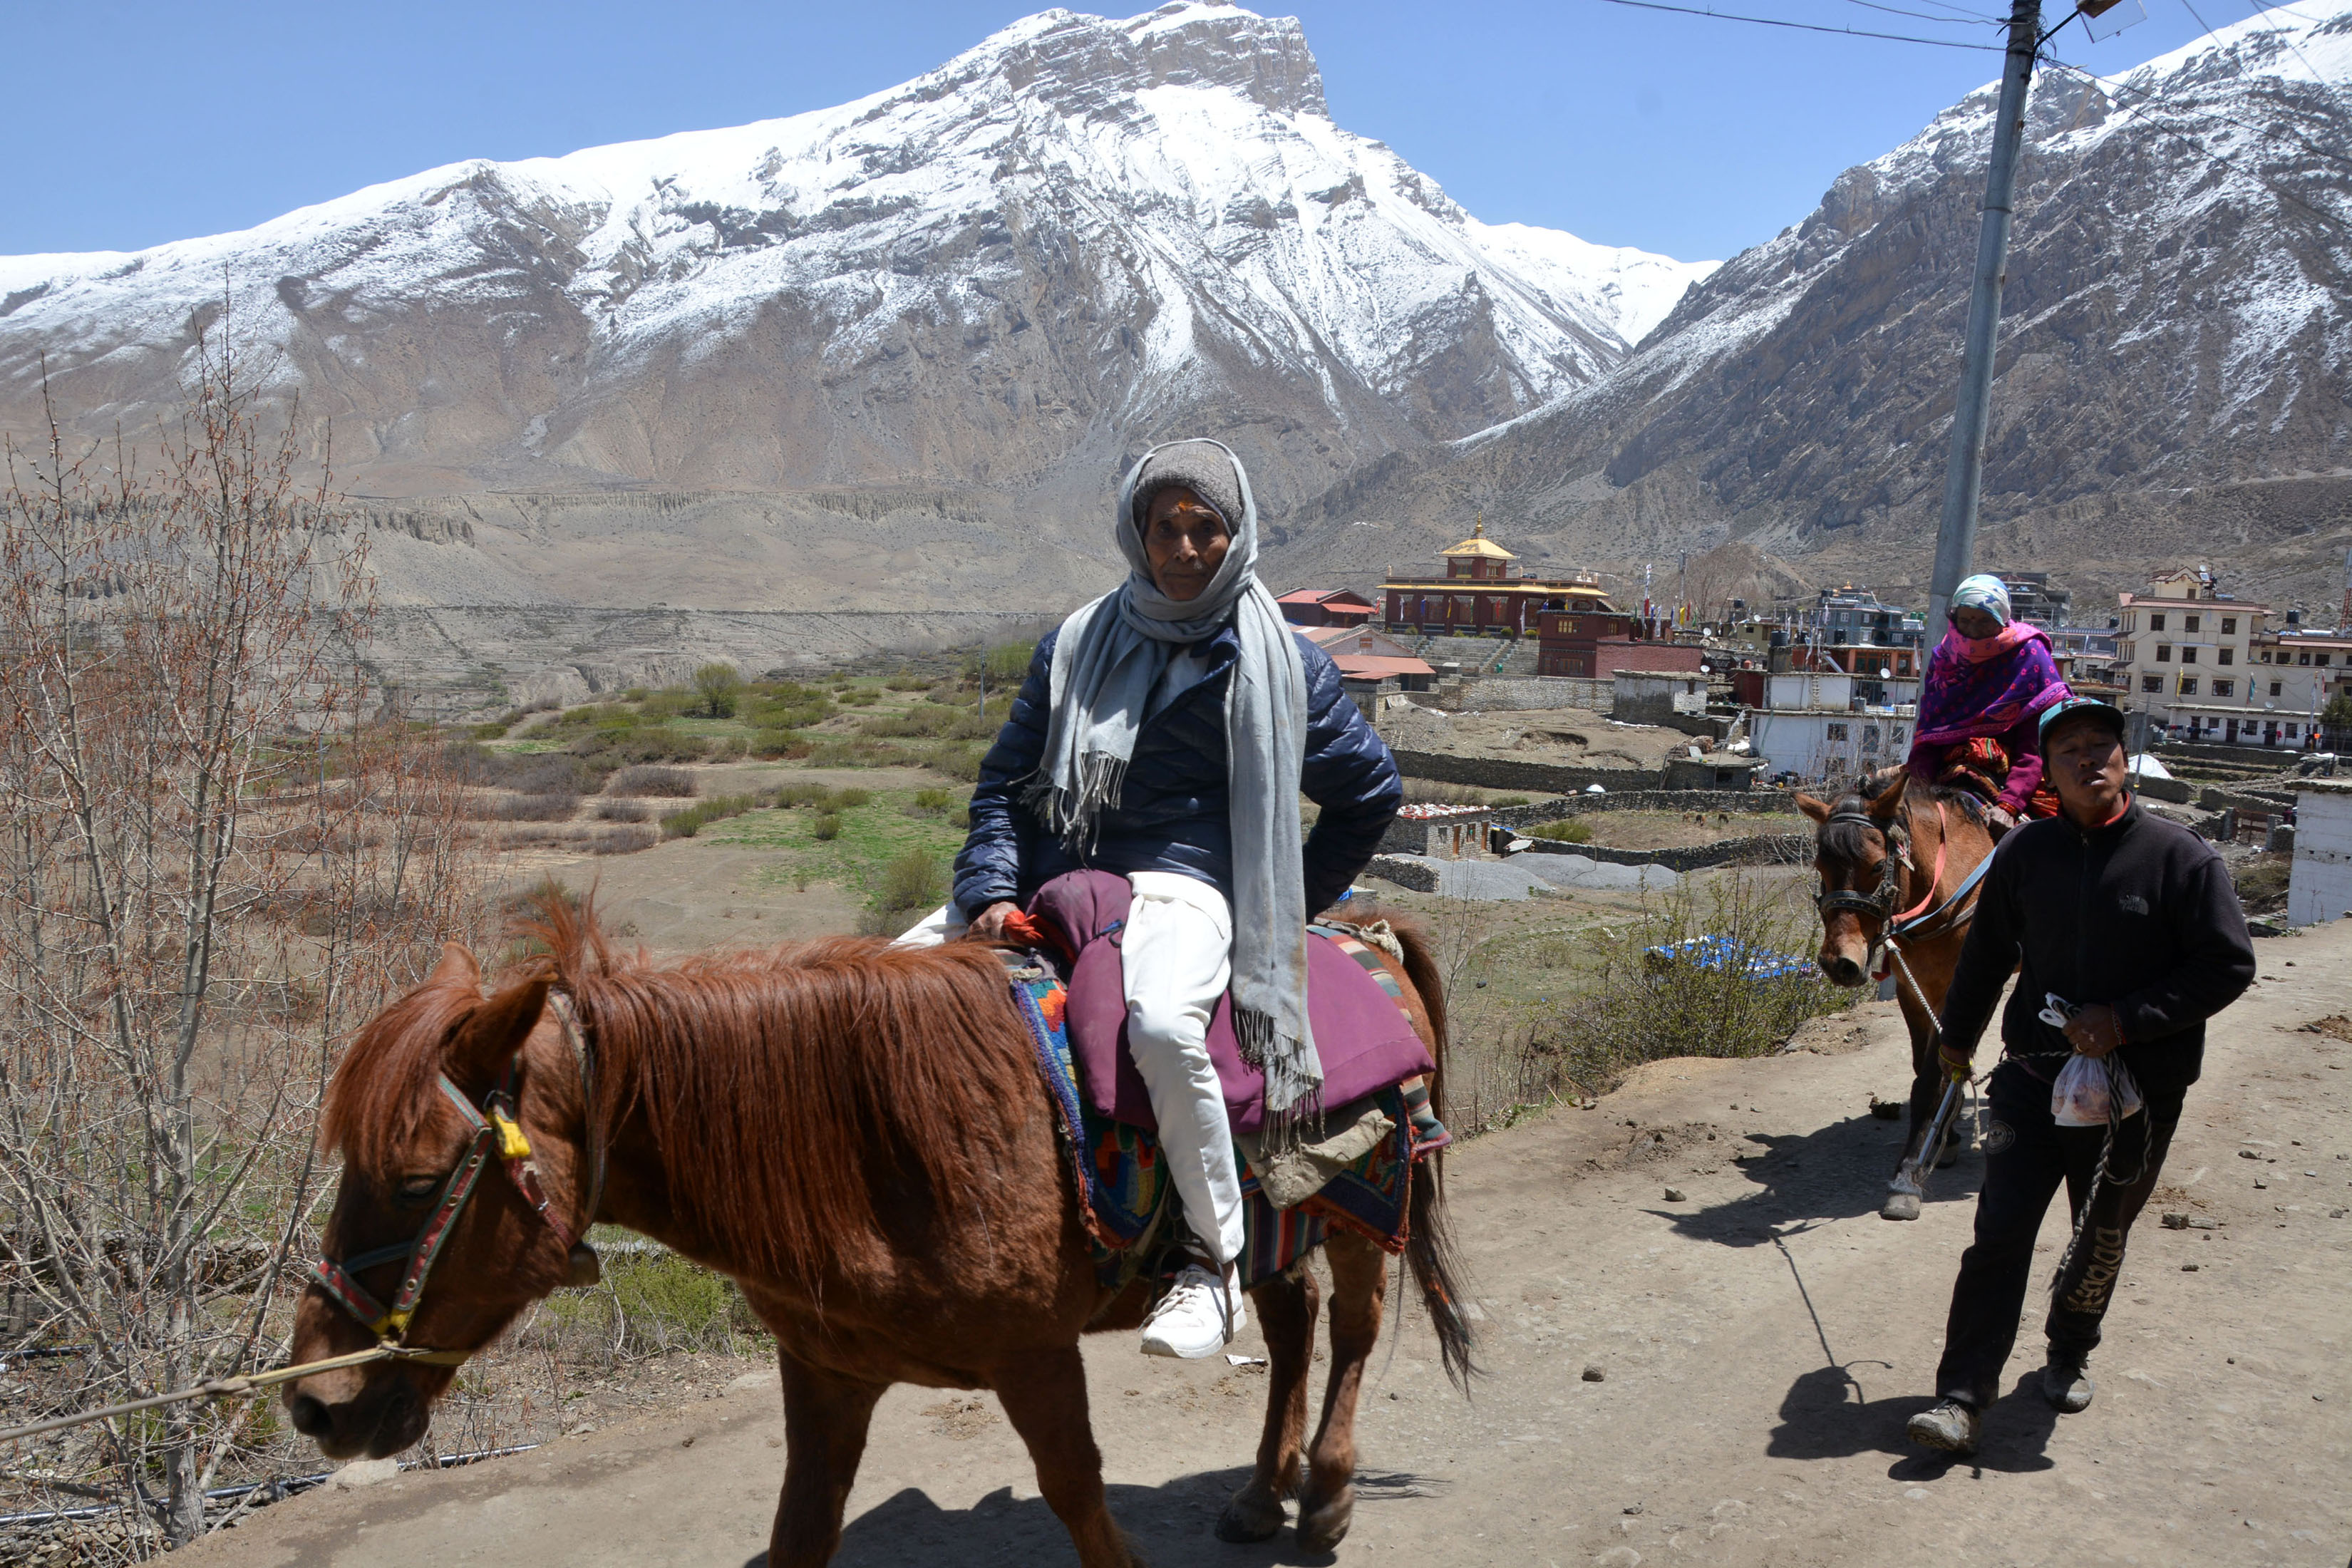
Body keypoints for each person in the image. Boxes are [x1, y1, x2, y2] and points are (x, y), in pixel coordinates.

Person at [897, 438, 1403, 1360]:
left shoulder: (1285, 666)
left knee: (1165, 1027)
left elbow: (1369, 793)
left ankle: (1212, 1267)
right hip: (1059, 871)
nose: (1183, 548)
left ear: (1236, 534)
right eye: (1164, 527)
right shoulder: (1078, 643)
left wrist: (1278, 906)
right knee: (880, 989)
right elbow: (1005, 787)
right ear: (1136, 534)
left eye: (1205, 527)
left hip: (1187, 883)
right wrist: (987, 889)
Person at [1905, 696, 2254, 1456]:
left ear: (2126, 760)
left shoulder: (2181, 858)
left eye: (2103, 746)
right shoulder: (2026, 856)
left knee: (2097, 1235)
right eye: (2070, 751)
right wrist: (1955, 1041)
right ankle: (1961, 1396)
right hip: (2033, 1077)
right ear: (2050, 774)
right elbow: (1989, 956)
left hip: (2137, 1093)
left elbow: (2227, 965)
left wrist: (2126, 1019)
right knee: (1997, 1234)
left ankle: (2069, 1351)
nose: (2089, 759)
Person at [1907, 575, 2073, 832]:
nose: (1973, 629)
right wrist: (1915, 796)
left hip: (2015, 772)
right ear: (1954, 619)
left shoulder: (2030, 656)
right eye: (1965, 619)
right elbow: (1929, 737)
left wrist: (2010, 804)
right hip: (1948, 768)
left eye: (1984, 620)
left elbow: (2035, 743)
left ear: (2002, 620)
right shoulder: (1945, 659)